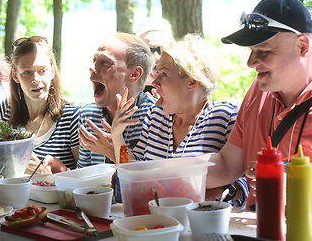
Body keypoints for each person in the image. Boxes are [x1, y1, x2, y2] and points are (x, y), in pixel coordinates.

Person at [199, 0, 312, 221]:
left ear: (302, 46)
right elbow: (228, 164)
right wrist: (162, 172)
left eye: (264, 51)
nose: (250, 63)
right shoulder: (257, 92)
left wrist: (295, 191)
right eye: (251, 51)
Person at [106, 34, 248, 207]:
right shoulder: (156, 116)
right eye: (156, 73)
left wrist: (224, 193)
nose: (154, 82)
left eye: (163, 74)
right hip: (156, 220)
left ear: (192, 82)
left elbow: (248, 180)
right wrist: (117, 135)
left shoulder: (225, 117)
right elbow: (135, 170)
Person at [0, 36, 80, 173]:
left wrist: (52, 173)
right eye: (26, 72)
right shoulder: (0, 112)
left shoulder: (72, 117)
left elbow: (86, 182)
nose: (35, 79)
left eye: (42, 70)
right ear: (15, 75)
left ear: (52, 71)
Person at [77, 32, 156, 168]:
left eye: (105, 62)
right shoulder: (88, 115)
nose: (92, 67)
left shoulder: (155, 116)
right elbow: (83, 177)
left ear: (134, 74)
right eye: (94, 60)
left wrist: (111, 151)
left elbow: (151, 179)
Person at [137, 18, 174, 95]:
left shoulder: (186, 91)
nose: (156, 57)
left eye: (162, 50)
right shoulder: (121, 91)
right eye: (148, 50)